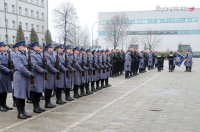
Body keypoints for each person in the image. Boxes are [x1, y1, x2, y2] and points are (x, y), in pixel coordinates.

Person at [13, 40, 32, 119]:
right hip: (20, 76)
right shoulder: (17, 55)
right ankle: (19, 112)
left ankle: (23, 111)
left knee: (23, 94)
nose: (25, 47)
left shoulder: (25, 55)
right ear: (19, 47)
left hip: (24, 76)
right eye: (23, 46)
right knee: (19, 94)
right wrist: (29, 73)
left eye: (25, 46)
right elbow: (20, 67)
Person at [29, 41, 46, 113]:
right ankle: (35, 107)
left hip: (40, 75)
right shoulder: (32, 55)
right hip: (36, 75)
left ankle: (38, 106)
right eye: (38, 46)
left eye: (39, 46)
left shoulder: (40, 54)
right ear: (34, 47)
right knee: (36, 91)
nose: (39, 47)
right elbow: (34, 65)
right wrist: (42, 70)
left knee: (39, 92)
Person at [0, 41, 13, 112]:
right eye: (4, 46)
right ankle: (1, 105)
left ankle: (4, 104)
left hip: (6, 75)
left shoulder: (5, 54)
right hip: (1, 74)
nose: (5, 48)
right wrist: (8, 70)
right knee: (1, 91)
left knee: (5, 90)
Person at [44, 44, 58, 108]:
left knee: (50, 88)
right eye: (51, 48)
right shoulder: (46, 55)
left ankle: (49, 102)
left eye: (52, 48)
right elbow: (48, 65)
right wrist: (55, 70)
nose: (52, 49)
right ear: (48, 49)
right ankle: (47, 103)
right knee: (48, 88)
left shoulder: (52, 55)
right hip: (49, 73)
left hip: (52, 73)